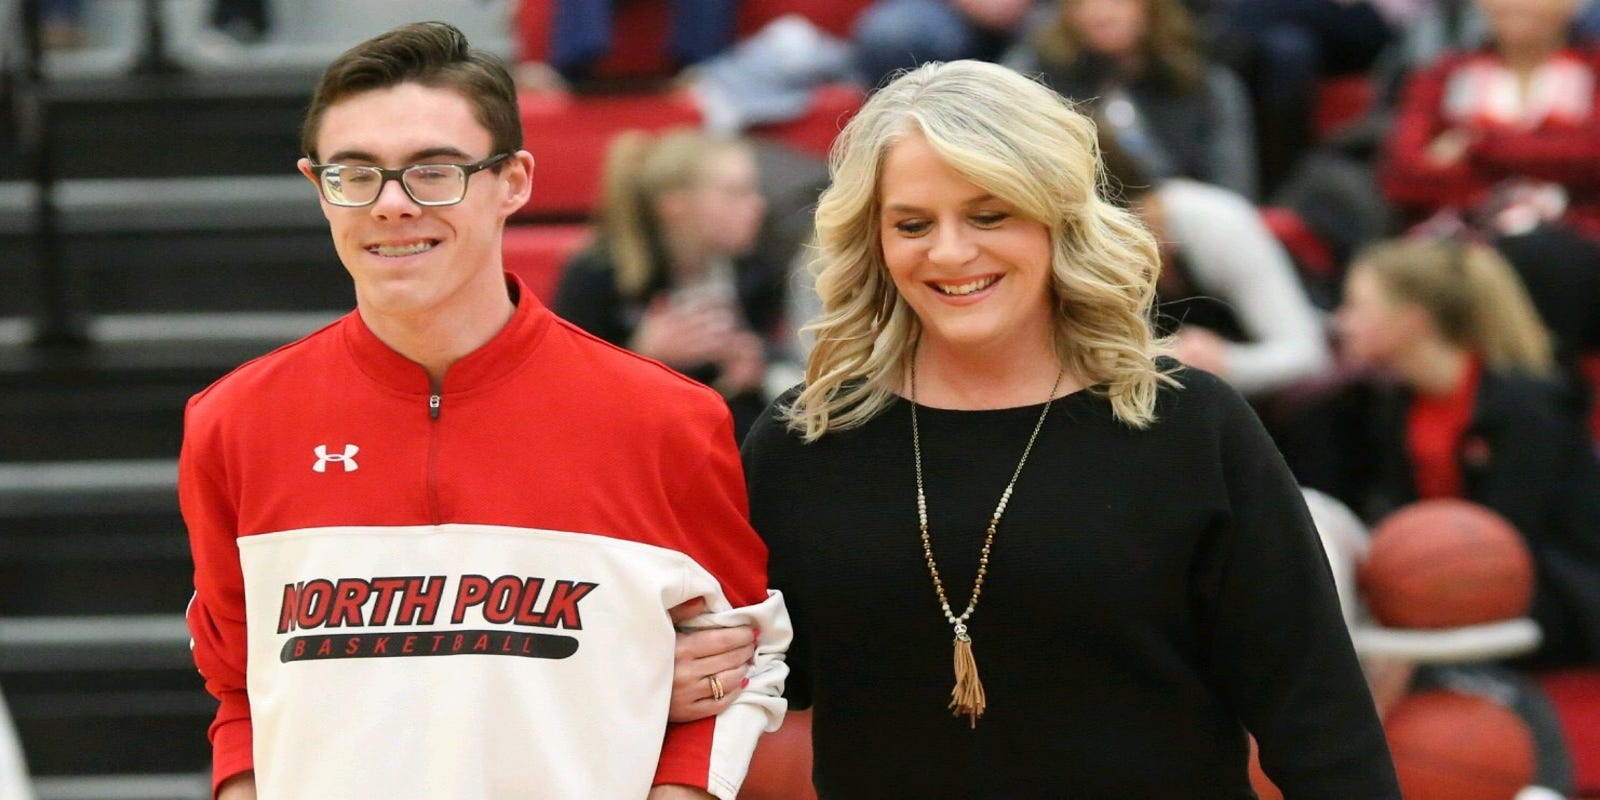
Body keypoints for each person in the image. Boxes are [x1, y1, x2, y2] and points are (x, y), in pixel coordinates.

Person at [741, 59, 1398, 797]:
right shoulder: (804, 438)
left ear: (1058, 216)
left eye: (990, 215)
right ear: (875, 241)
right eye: (913, 224)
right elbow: (749, 680)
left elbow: (1320, 722)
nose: (951, 252)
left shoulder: (1189, 427)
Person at [179, 22, 788, 800]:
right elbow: (235, 686)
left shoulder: (666, 419)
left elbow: (740, 665)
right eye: (355, 173)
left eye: (434, 171)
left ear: (515, 181)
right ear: (317, 187)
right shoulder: (235, 422)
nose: (392, 205)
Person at [1330, 237, 1600, 667]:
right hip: (1451, 577)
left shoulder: (1525, 408)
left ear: (1412, 321)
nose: (1342, 322)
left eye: (1357, 306)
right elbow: (1399, 513)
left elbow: (1510, 540)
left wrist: (1418, 581)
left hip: (1549, 592)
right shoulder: (1395, 404)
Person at [1380, 0, 1600, 366]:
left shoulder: (1592, 71)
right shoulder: (1447, 73)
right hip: (1460, 235)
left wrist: (1479, 145)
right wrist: (1539, 165)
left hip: (1574, 242)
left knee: (1543, 256)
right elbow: (1404, 175)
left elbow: (1592, 156)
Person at [553, 128, 786, 440]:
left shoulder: (754, 271)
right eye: (735, 193)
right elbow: (563, 396)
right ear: (675, 205)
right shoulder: (598, 275)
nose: (757, 206)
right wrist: (642, 356)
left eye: (754, 190)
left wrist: (756, 364)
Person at [1005, 0, 1260, 199]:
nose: (1102, 14)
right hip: (1078, 208)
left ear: (1153, 9)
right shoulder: (1034, 73)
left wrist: (1168, 209)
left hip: (1187, 218)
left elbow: (1233, 192)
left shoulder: (1203, 85)